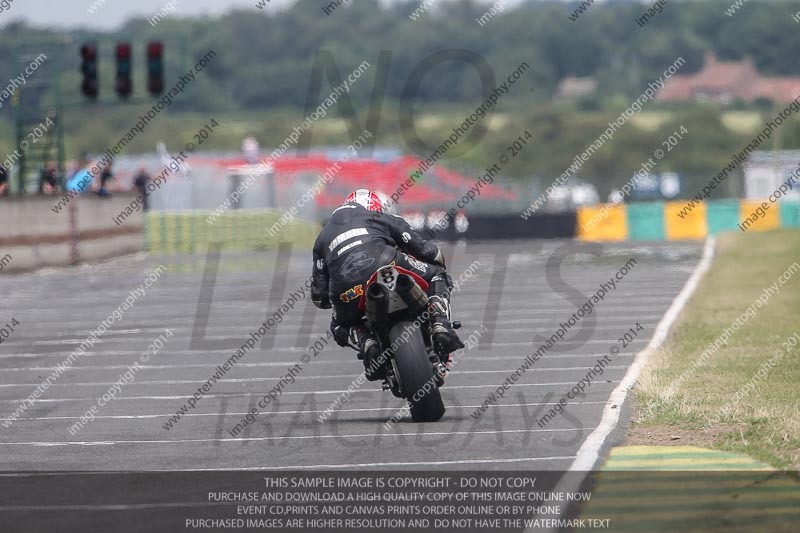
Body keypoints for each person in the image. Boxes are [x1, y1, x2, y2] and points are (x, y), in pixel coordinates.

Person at [311, 189, 465, 380]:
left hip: (348, 291)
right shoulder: (380, 217)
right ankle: (439, 322)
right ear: (376, 207)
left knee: (339, 325)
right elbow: (426, 250)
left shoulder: (322, 237)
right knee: (437, 276)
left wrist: (335, 301)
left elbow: (318, 296)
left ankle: (365, 341)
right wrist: (438, 261)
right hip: (388, 264)